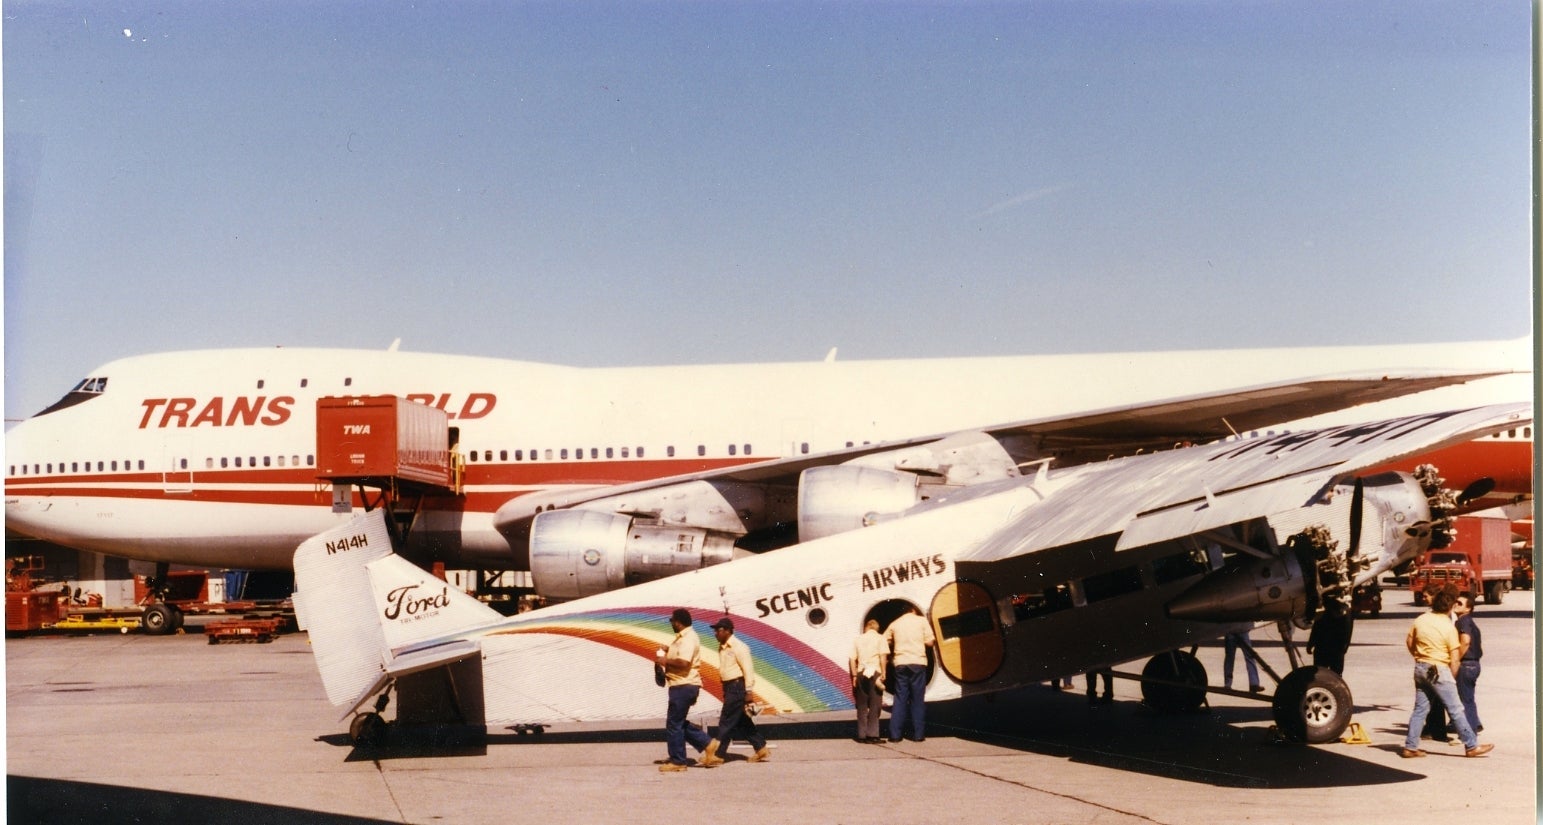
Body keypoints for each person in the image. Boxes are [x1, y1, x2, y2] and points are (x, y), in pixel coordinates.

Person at [1400, 586, 1492, 758]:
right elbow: (1455, 658)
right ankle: (1471, 745)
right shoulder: (1448, 627)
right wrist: (1452, 677)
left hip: (1421, 667)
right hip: (1439, 669)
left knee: (1420, 709)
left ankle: (1410, 746)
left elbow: (1409, 640)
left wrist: (1419, 656)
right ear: (1449, 608)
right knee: (1456, 708)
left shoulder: (1421, 619)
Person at [701, 617, 770, 766]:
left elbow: (748, 669)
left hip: (737, 687)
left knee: (726, 720)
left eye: (718, 630)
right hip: (729, 687)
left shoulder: (739, 647)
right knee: (741, 721)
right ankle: (761, 748)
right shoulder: (723, 647)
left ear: (728, 630)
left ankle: (717, 755)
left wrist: (749, 691)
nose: (715, 634)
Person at [656, 608, 714, 772]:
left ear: (678, 622)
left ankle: (678, 761)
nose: (671, 624)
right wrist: (669, 649)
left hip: (683, 684)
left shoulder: (688, 638)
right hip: (681, 684)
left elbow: (684, 663)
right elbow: (681, 655)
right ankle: (707, 744)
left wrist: (665, 660)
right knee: (677, 722)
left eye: (672, 621)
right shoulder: (683, 638)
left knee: (674, 723)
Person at [884, 605, 935, 743]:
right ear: (913, 610)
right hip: (917, 662)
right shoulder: (922, 621)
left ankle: (895, 735)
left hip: (900, 663)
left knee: (900, 699)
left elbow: (884, 642)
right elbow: (930, 642)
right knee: (917, 700)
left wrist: (892, 652)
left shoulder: (895, 623)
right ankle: (918, 735)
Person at [849, 619, 888, 743]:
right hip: (874, 673)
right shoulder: (880, 638)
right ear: (876, 628)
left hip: (861, 673)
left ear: (866, 628)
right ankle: (872, 735)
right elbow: (883, 657)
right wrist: (884, 672)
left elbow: (851, 659)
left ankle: (862, 735)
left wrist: (854, 675)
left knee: (862, 705)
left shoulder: (857, 639)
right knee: (875, 704)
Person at [1453, 591, 1483, 735]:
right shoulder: (1469, 620)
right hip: (1474, 664)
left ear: (1468, 608)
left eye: (1460, 603)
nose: (1455, 605)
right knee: (1468, 698)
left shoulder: (1462, 621)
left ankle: (1470, 731)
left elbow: (1465, 641)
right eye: (1455, 602)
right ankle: (1475, 723)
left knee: (1465, 700)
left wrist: (1456, 660)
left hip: (1466, 664)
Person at [1306, 600, 1353, 676]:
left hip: (1324, 648)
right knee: (1335, 675)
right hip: (1334, 649)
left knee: (1321, 673)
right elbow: (1348, 632)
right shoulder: (1346, 613)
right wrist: (1344, 647)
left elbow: (1315, 630)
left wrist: (1310, 644)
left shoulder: (1323, 613)